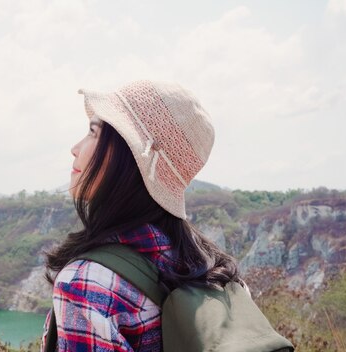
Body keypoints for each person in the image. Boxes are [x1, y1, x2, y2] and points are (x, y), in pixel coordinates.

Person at [41, 80, 242, 351]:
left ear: (127, 154)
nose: (75, 148)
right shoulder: (215, 268)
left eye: (92, 132)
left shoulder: (87, 284)